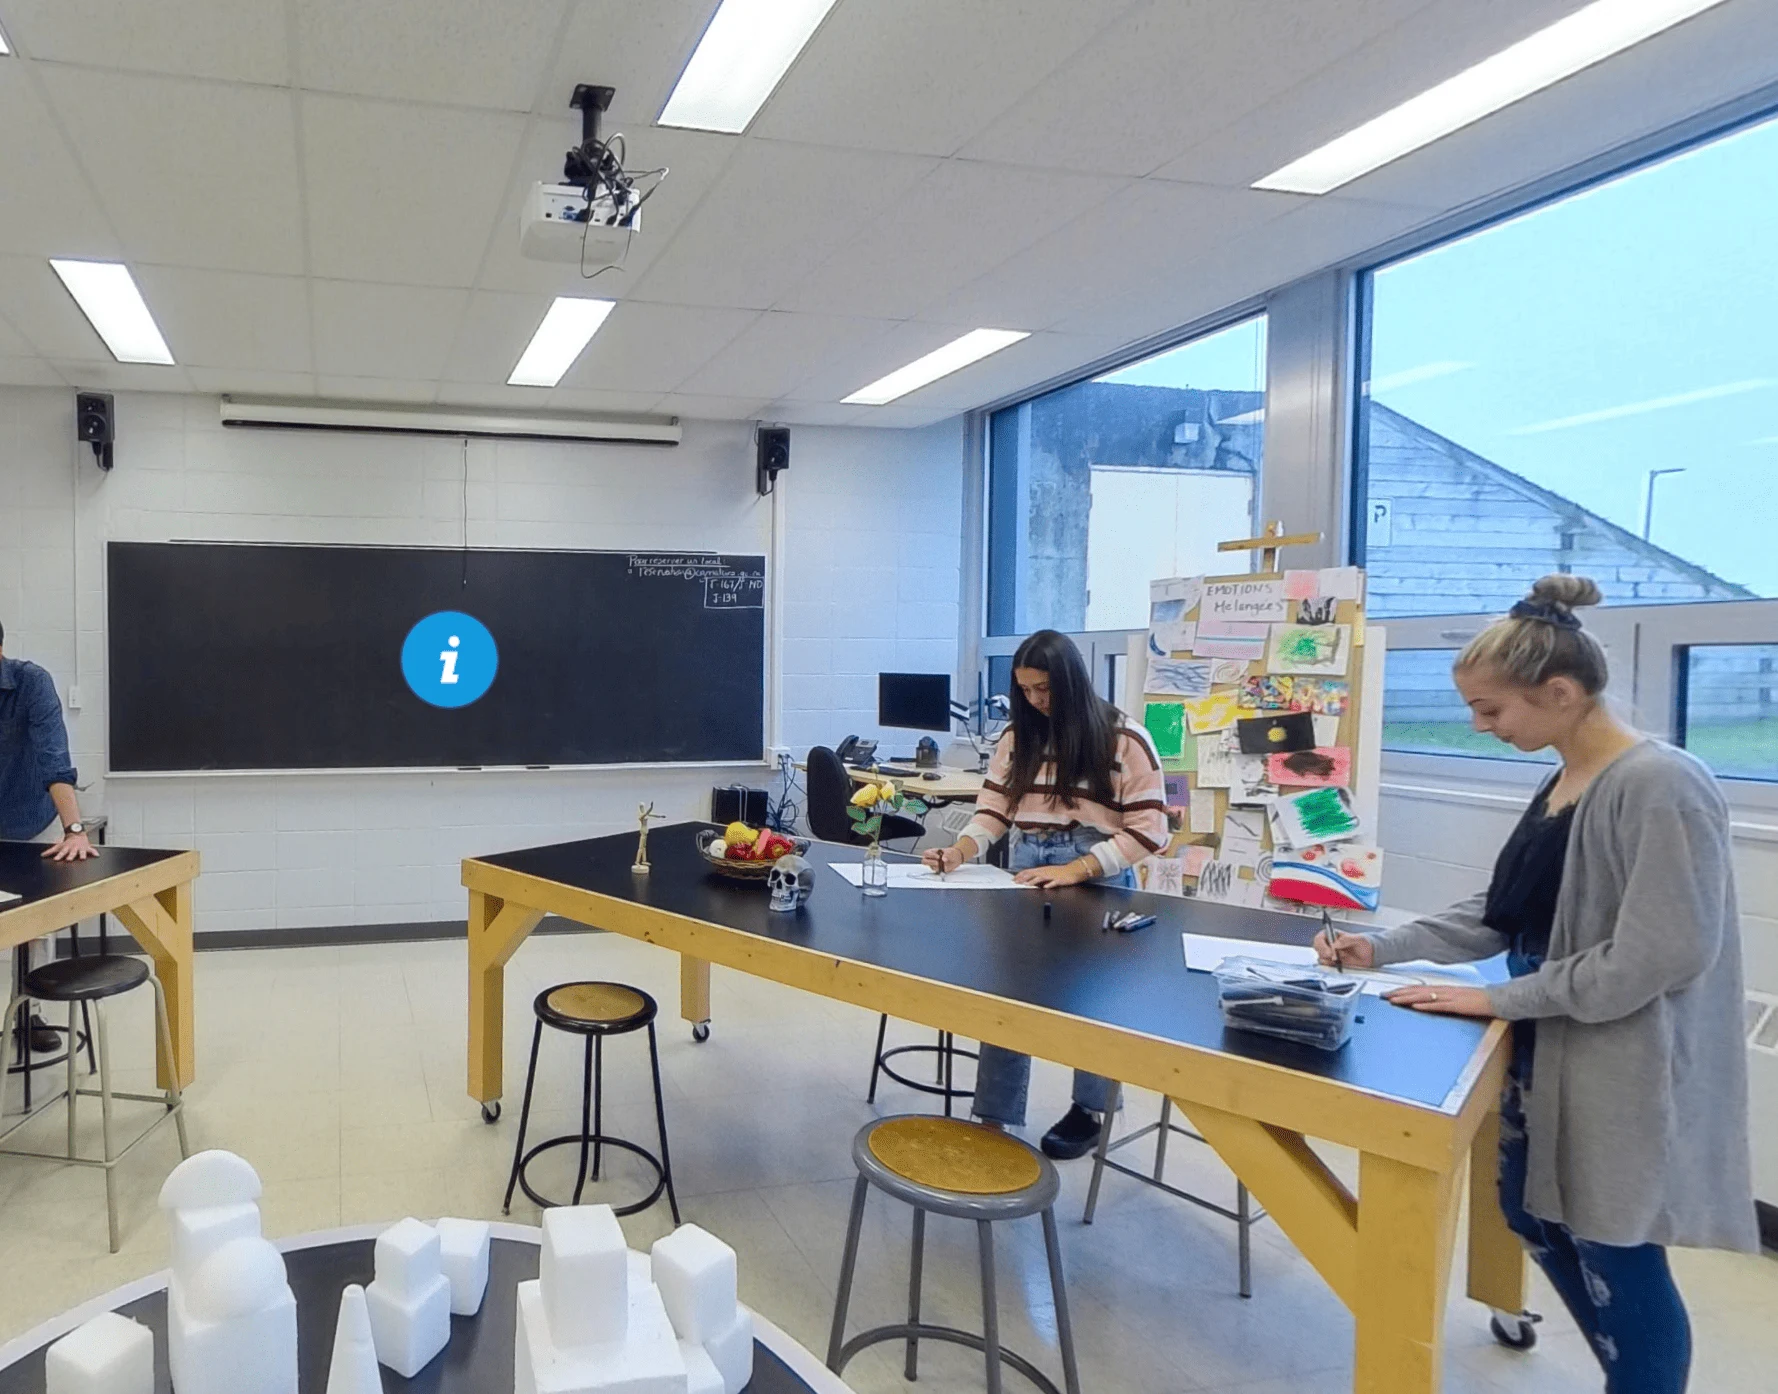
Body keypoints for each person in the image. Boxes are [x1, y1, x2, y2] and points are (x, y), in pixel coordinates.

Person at [1314, 575, 1756, 1394]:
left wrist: (1497, 997)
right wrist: (1386, 948)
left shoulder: (1658, 783)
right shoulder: (1563, 779)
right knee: (1531, 1213)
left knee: (1613, 1247)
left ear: (1560, 692)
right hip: (1549, 1042)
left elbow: (1660, 954)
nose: (1481, 728)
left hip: (1619, 1061)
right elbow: (1504, 910)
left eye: (1493, 710)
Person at [922, 630, 1168, 1159]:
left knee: (1092, 999)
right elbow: (993, 808)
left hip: (1094, 866)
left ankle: (1090, 1110)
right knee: (1008, 991)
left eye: (1045, 690)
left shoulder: (1125, 739)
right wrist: (959, 852)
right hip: (1026, 861)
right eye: (1027, 690)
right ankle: (995, 1114)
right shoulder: (1019, 736)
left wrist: (1077, 868)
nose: (1036, 700)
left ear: (1073, 683)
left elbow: (1150, 830)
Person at [1, 620, 97, 1054]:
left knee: (34, 925)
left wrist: (73, 828)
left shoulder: (31, 682)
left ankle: (28, 1011)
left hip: (28, 819)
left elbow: (54, 755)